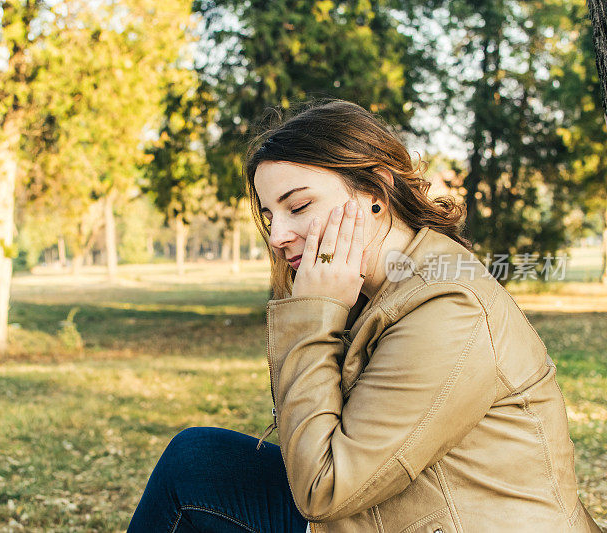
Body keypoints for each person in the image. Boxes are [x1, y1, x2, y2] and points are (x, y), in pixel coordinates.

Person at [127, 100, 602, 532]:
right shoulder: (374, 287)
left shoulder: (447, 309)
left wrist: (314, 316)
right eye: (271, 216)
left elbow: (323, 488)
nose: (278, 236)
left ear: (375, 190)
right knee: (196, 463)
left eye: (299, 206)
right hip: (396, 508)